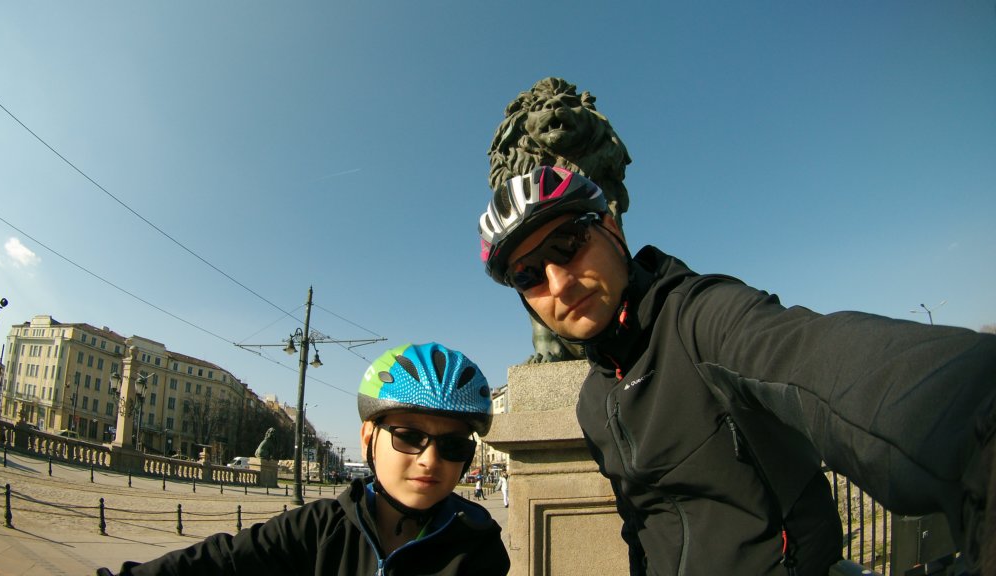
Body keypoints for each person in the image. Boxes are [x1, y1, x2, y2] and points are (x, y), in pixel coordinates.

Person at [478, 165, 996, 576]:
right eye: (528, 274)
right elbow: (641, 530)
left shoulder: (702, 318)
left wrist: (976, 423)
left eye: (568, 243)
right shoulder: (594, 401)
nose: (558, 282)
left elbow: (825, 362)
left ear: (611, 229)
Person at [98, 342, 511, 576]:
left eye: (453, 446)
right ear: (368, 438)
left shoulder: (478, 545)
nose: (429, 460)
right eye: (409, 436)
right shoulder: (317, 528)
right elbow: (221, 562)